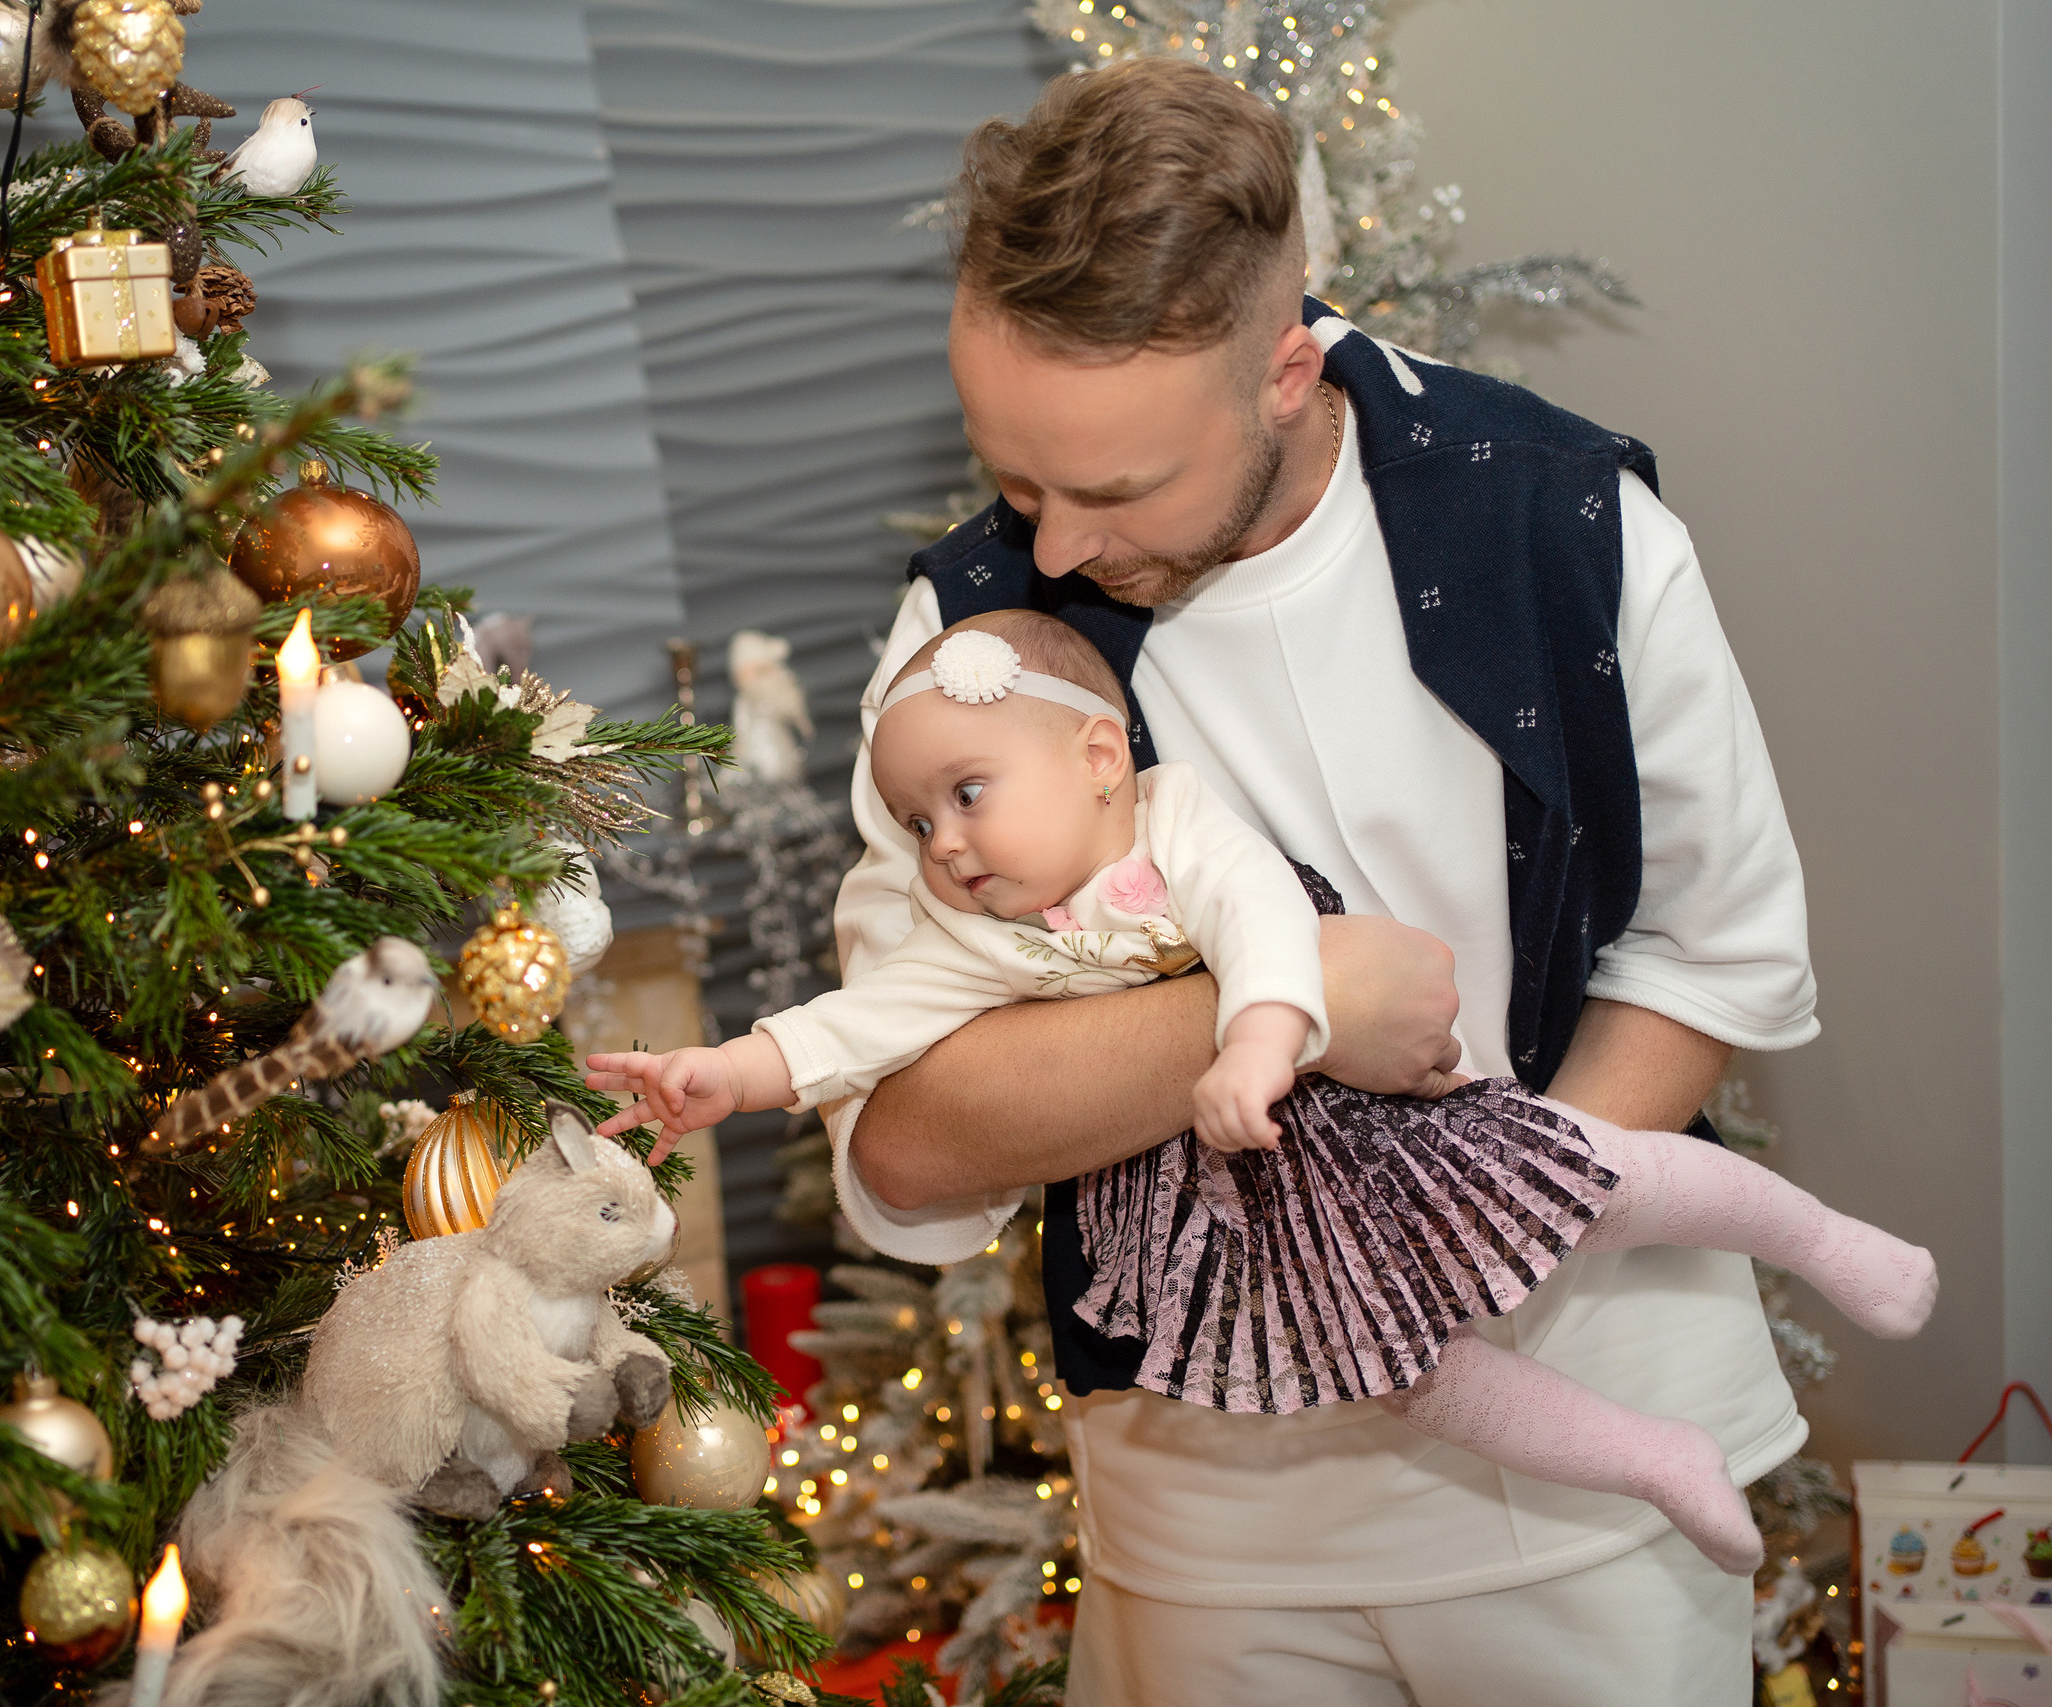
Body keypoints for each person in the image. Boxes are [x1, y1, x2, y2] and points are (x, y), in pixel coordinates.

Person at [819, 57, 1828, 1705]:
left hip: (1598, 1444)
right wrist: (1287, 1006)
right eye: (1014, 482)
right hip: (1210, 1512)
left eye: (1117, 488)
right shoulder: (977, 652)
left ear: (1286, 367)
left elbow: (1707, 960)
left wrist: (1473, 1245)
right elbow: (912, 1137)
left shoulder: (1565, 521)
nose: (1051, 552)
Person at [585, 610, 1930, 1579]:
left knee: (1589, 1178)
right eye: (920, 822)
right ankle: (1649, 1458)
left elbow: (1275, 927)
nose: (944, 845)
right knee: (1411, 1372)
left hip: (1369, 1120)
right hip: (1250, 1207)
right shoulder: (979, 938)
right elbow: (857, 1028)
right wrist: (724, 1077)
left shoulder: (1180, 823)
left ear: (1102, 758)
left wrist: (1254, 1046)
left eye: (968, 796)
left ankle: (1828, 1241)